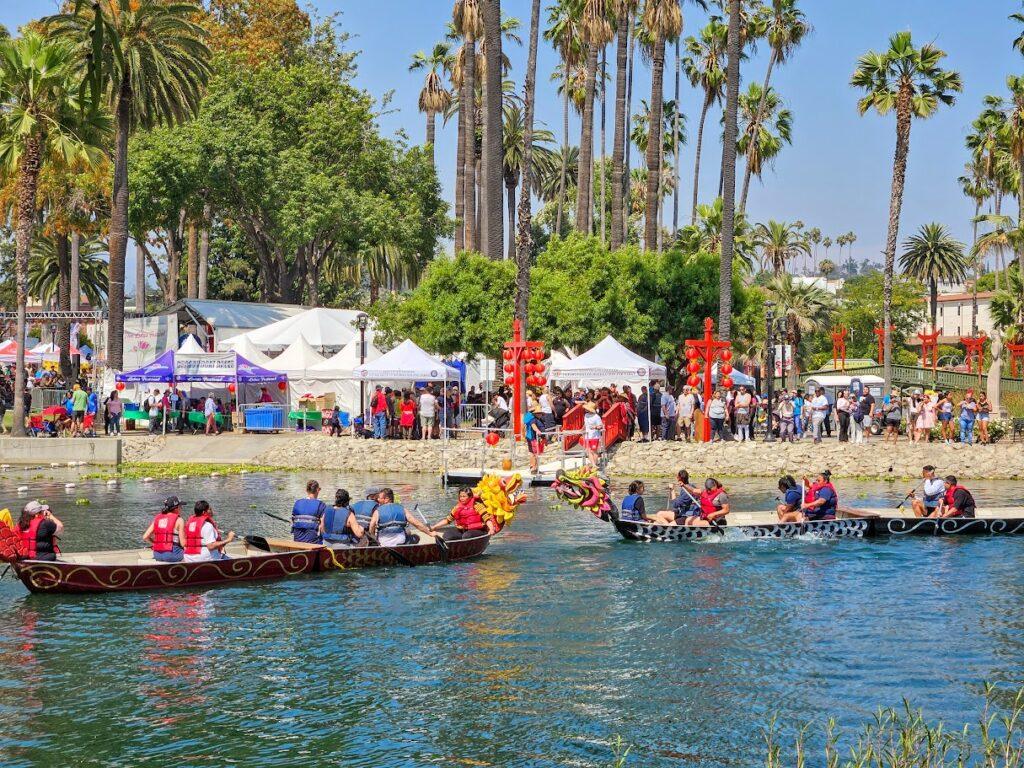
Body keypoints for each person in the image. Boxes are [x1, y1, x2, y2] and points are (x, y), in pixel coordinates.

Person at [143, 496, 187, 562]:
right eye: (180, 506)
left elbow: (145, 537)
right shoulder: (179, 520)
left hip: (157, 555)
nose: (181, 508)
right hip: (173, 554)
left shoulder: (157, 519)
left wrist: (155, 544)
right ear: (176, 508)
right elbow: (183, 544)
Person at [291, 479, 327, 544]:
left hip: (297, 541)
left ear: (307, 490)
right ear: (317, 490)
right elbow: (322, 527)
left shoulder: (297, 503)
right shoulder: (321, 505)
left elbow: (293, 521)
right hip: (313, 542)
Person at [524, 403, 544, 474]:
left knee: (535, 453)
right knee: (535, 453)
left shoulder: (539, 419)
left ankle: (535, 468)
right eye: (538, 413)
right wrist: (537, 431)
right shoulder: (533, 419)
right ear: (535, 413)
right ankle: (534, 468)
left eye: (540, 413)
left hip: (535, 438)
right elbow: (533, 426)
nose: (540, 414)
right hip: (533, 438)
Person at [582, 401, 604, 467]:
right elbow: (585, 424)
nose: (585, 409)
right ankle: (593, 464)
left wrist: (595, 427)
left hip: (595, 436)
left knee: (594, 451)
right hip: (587, 436)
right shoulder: (586, 415)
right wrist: (581, 430)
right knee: (588, 451)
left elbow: (601, 426)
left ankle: (594, 464)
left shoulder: (596, 417)